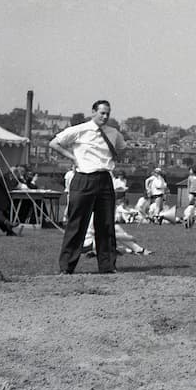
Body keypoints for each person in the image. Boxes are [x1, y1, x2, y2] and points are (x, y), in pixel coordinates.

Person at [49, 99, 126, 275]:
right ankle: (66, 267)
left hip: (105, 179)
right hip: (84, 179)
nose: (105, 116)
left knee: (106, 225)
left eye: (108, 113)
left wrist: (109, 160)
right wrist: (73, 157)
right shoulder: (80, 130)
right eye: (102, 113)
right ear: (93, 112)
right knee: (77, 224)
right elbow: (54, 143)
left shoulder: (113, 133)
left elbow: (122, 148)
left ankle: (107, 266)